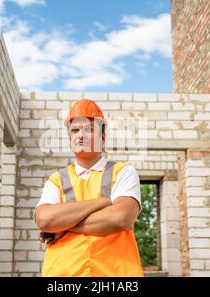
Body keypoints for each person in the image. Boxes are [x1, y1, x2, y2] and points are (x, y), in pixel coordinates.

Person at [34, 98, 144, 277]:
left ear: (103, 137)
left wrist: (62, 227)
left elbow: (120, 218)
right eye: (75, 130)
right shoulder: (56, 180)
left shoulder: (123, 172)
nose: (81, 135)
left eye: (89, 129)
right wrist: (102, 202)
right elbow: (45, 220)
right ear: (70, 138)